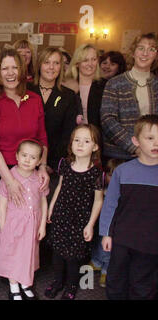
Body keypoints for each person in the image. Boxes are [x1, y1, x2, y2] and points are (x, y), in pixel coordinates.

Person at [0, 48, 49, 300]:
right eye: (4, 68)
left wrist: (42, 167)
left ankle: (19, 276)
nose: (10, 73)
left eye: (14, 67)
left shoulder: (35, 99)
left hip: (30, 170)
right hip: (1, 172)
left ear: (22, 70)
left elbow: (42, 138)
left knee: (24, 228)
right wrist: (9, 181)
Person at [100, 115, 158, 300]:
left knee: (143, 285)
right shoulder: (122, 172)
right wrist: (107, 233)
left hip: (151, 244)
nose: (156, 143)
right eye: (150, 138)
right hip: (122, 240)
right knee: (116, 281)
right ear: (136, 141)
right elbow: (110, 204)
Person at [45, 124, 104, 300]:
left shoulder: (96, 173)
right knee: (57, 252)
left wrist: (91, 225)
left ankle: (71, 285)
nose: (80, 144)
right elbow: (59, 187)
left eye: (86, 141)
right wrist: (51, 208)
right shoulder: (65, 164)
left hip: (80, 220)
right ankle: (58, 281)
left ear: (94, 147)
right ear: (71, 144)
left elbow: (98, 201)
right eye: (76, 140)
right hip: (61, 215)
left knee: (72, 258)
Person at [0, 139, 49, 300]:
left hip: (32, 225)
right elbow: (1, 203)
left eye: (33, 157)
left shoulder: (39, 178)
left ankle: (25, 282)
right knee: (12, 255)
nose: (27, 160)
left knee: (27, 255)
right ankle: (14, 286)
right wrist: (3, 226)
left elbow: (43, 201)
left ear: (38, 161)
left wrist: (42, 225)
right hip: (13, 224)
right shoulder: (10, 177)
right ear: (16, 156)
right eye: (24, 155)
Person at [28, 47, 79, 197]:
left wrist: (49, 163)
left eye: (56, 63)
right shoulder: (26, 90)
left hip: (52, 166)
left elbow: (67, 134)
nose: (51, 67)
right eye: (47, 62)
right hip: (23, 162)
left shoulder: (68, 96)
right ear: (39, 65)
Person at [100, 33, 158, 163]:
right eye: (141, 48)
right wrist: (134, 147)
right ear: (133, 52)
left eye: (152, 49)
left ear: (156, 55)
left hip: (154, 156)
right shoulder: (114, 83)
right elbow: (107, 120)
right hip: (119, 157)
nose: (145, 53)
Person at [89, 158, 125, 288]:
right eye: (111, 175)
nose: (114, 179)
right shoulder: (102, 187)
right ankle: (96, 262)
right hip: (102, 222)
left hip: (116, 225)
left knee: (110, 248)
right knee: (97, 241)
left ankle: (106, 271)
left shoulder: (124, 191)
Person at [63, 43, 106, 130]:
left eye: (93, 59)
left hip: (96, 137)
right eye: (85, 60)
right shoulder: (66, 85)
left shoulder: (105, 86)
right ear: (77, 63)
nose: (90, 64)